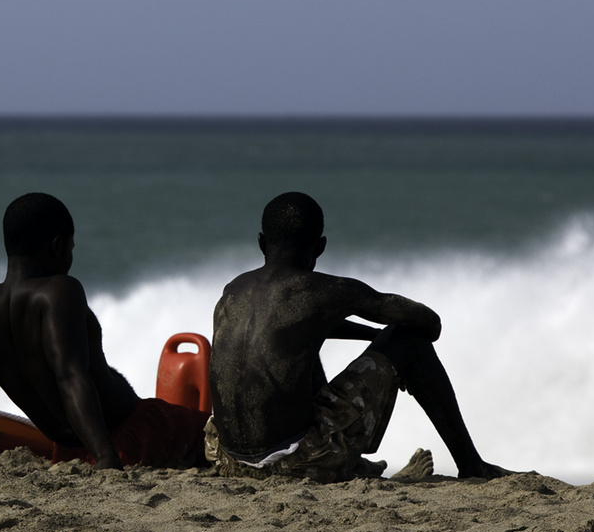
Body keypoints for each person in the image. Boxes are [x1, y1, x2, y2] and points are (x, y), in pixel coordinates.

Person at [0, 193, 208, 471]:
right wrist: (106, 458)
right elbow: (70, 376)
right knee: (209, 432)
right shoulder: (58, 292)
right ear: (57, 246)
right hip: (132, 434)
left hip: (67, 454)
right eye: (71, 247)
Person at [207, 191, 506, 482]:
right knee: (411, 341)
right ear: (320, 246)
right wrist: (391, 344)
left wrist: (374, 335)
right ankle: (471, 465)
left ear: (261, 242)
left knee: (300, 351)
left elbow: (296, 328)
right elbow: (429, 323)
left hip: (225, 458)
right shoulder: (327, 291)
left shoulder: (233, 291)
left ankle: (356, 466)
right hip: (297, 464)